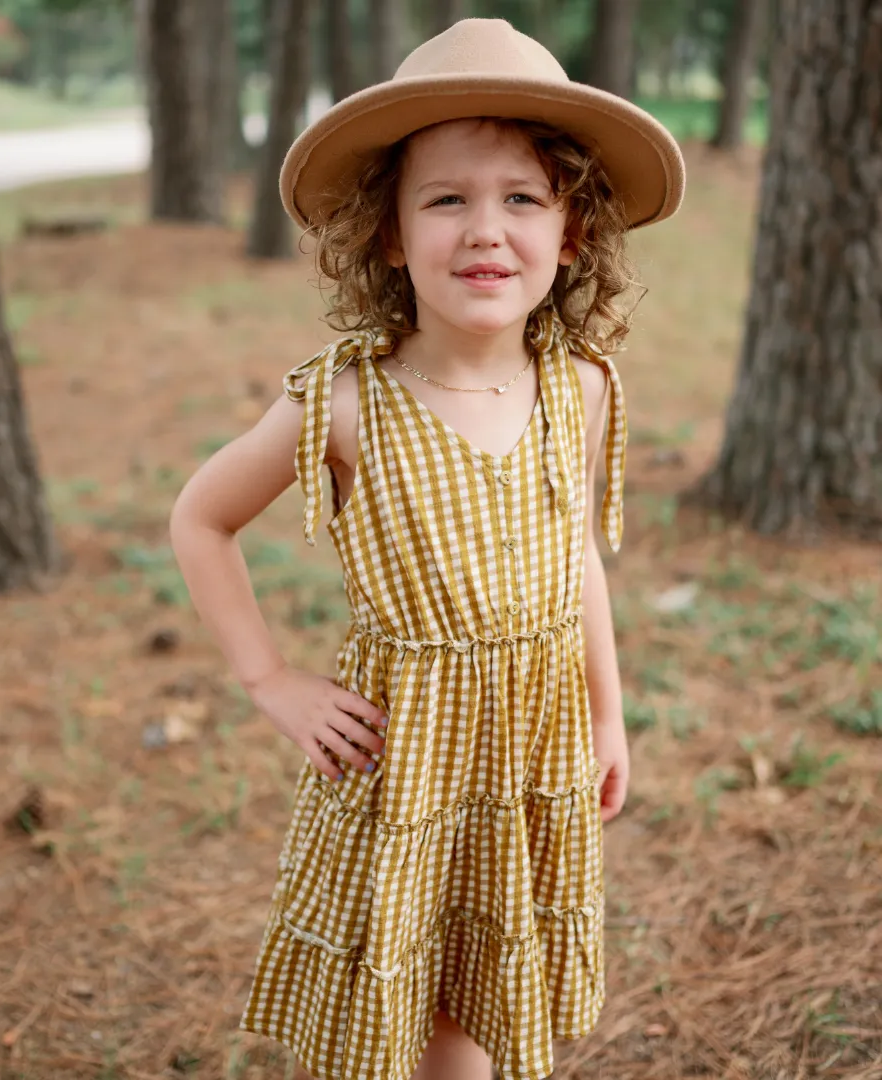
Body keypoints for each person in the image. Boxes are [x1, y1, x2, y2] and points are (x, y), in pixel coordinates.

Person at [170, 17, 685, 1080]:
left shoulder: (577, 388)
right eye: (446, 198)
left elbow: (574, 552)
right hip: (406, 752)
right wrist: (268, 677)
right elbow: (201, 517)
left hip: (531, 742)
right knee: (394, 981)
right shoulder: (350, 401)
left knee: (481, 983)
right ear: (393, 235)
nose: (485, 229)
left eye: (521, 198)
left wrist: (608, 709)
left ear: (572, 231)